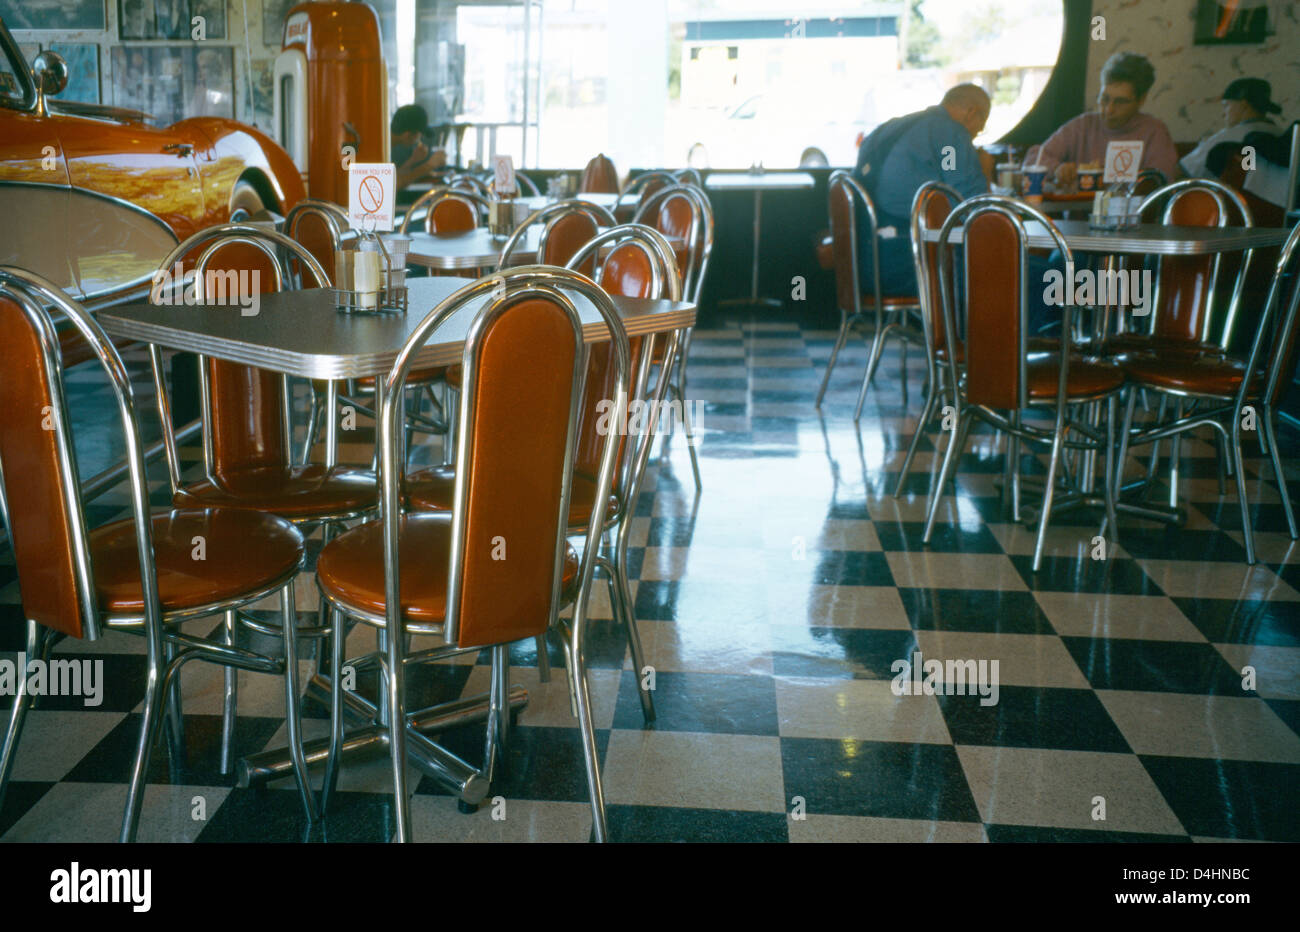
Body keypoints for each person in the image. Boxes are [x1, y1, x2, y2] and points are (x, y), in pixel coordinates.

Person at [853, 83, 994, 295]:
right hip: (907, 261)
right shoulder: (950, 136)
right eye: (982, 123)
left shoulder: (894, 127)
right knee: (1010, 267)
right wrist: (985, 170)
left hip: (863, 258)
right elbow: (973, 207)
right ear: (971, 113)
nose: (978, 132)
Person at [1027, 52, 1178, 187]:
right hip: (1081, 217)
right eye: (1104, 99)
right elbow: (1034, 158)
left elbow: (1160, 182)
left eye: (1120, 102)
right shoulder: (1083, 125)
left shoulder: (1154, 132)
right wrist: (1057, 169)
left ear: (1141, 100)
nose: (1108, 110)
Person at [1180, 78, 1290, 208]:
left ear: (1244, 105)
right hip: (1280, 215)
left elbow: (1185, 171)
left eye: (1226, 106)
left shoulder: (1230, 136)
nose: (1223, 113)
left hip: (1230, 212)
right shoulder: (1283, 136)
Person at [391, 105, 447, 192]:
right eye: (419, 135)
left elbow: (395, 175)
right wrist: (428, 166)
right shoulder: (380, 149)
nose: (419, 140)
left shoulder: (390, 144)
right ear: (407, 135)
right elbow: (393, 184)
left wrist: (413, 160)